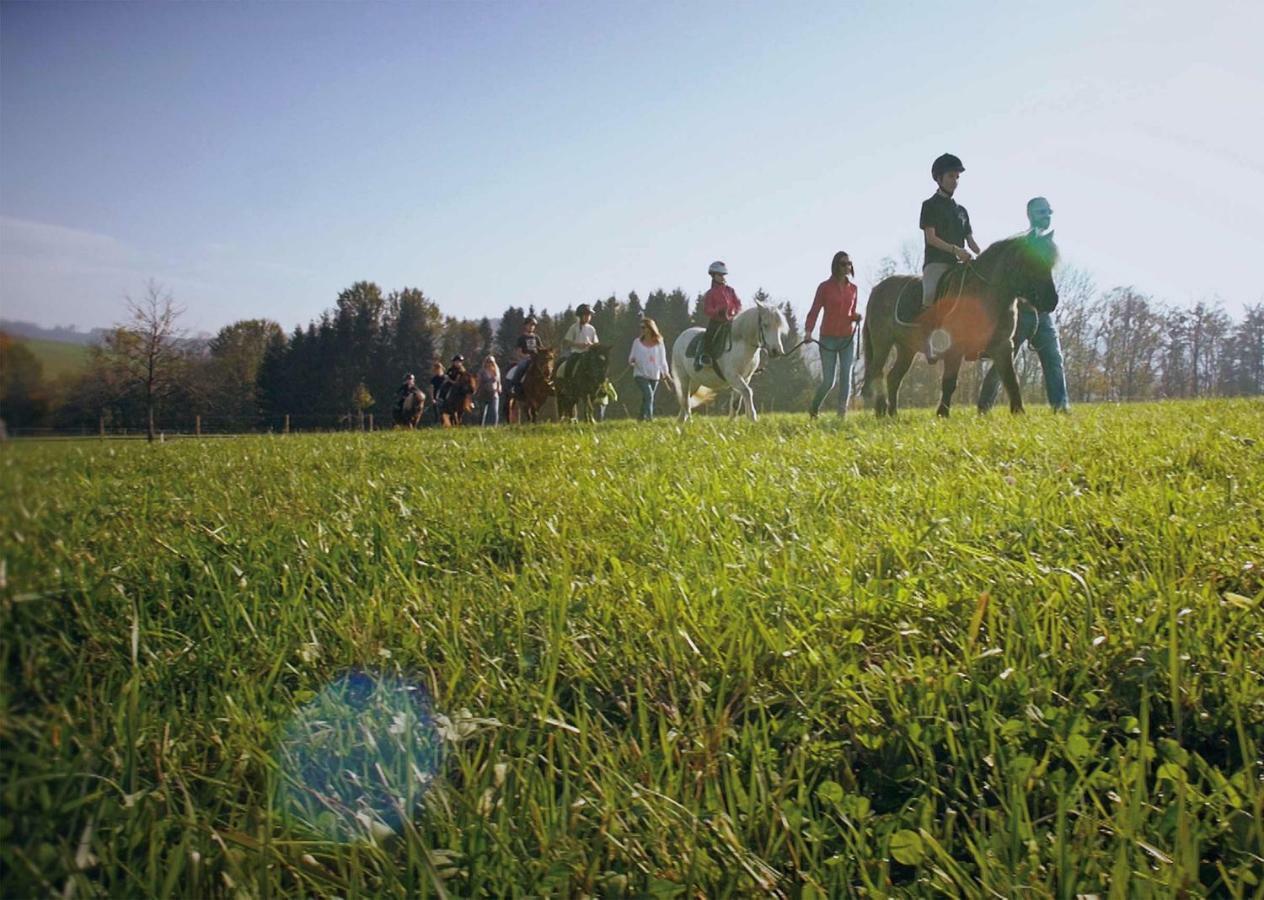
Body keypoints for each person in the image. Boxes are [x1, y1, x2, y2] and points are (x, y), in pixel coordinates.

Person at [978, 196, 1070, 413]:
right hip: (1020, 314)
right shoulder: (1017, 245)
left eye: (1048, 211)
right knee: (1003, 362)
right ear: (1029, 215)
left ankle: (1061, 406)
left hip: (1043, 316)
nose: (1046, 215)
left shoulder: (1049, 245)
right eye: (1041, 212)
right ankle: (984, 406)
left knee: (1054, 359)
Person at [921, 153, 980, 360]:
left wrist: (984, 257)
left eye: (957, 177)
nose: (955, 181)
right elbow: (931, 238)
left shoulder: (962, 211)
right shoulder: (929, 205)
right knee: (929, 294)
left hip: (960, 263)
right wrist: (956, 250)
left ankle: (974, 343)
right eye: (950, 177)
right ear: (939, 178)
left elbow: (971, 241)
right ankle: (929, 343)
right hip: (937, 263)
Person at [805, 251, 863, 418]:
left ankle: (841, 415)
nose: (847, 266)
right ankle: (814, 408)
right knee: (828, 381)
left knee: (846, 376)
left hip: (847, 338)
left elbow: (849, 313)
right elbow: (815, 310)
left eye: (849, 263)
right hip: (828, 339)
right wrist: (808, 331)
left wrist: (855, 317)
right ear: (835, 265)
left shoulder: (853, 289)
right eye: (843, 263)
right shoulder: (824, 287)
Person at [698, 260, 741, 370]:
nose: (722, 277)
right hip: (717, 321)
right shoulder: (710, 293)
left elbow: (738, 304)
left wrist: (734, 312)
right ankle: (704, 356)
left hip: (731, 320)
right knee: (709, 336)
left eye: (723, 275)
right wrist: (717, 311)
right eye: (719, 275)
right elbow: (707, 309)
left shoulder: (730, 291)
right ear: (713, 276)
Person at [629, 317, 670, 421]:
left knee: (647, 398)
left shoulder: (659, 343)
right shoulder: (637, 342)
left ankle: (641, 418)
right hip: (640, 375)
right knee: (649, 395)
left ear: (650, 328)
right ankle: (649, 418)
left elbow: (662, 360)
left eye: (644, 327)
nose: (641, 330)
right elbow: (630, 358)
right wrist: (632, 360)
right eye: (641, 327)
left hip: (654, 375)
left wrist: (665, 373)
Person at [504, 315, 541, 393]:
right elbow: (519, 351)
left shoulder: (536, 338)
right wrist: (525, 356)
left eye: (533, 325)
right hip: (526, 359)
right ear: (526, 325)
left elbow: (541, 349)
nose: (531, 327)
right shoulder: (522, 338)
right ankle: (515, 385)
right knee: (521, 367)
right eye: (530, 325)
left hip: (536, 359)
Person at [476, 355, 502, 425]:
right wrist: (476, 391)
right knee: (482, 412)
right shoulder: (481, 371)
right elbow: (478, 382)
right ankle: (480, 425)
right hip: (483, 393)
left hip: (493, 394)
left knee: (494, 411)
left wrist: (499, 388)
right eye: (488, 362)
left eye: (491, 362)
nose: (489, 363)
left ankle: (494, 426)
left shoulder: (496, 370)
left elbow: (498, 381)